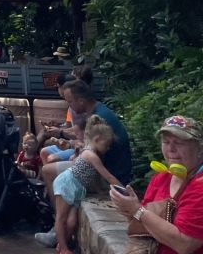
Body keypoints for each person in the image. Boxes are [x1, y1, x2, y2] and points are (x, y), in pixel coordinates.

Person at [37, 78, 132, 248]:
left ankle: (58, 223)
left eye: (70, 101)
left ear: (81, 100)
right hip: (106, 167)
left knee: (48, 171)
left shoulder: (99, 116)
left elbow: (94, 156)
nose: (69, 105)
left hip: (109, 173)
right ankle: (61, 223)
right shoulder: (100, 111)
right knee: (56, 166)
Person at [110, 116, 203, 254]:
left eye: (179, 143)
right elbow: (143, 224)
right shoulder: (161, 178)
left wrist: (137, 210)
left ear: (199, 149)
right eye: (166, 142)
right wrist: (129, 210)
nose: (171, 149)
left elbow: (184, 244)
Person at [36, 115, 124, 254]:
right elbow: (108, 176)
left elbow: (93, 177)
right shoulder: (91, 155)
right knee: (61, 217)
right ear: (97, 140)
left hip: (78, 189)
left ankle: (62, 242)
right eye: (106, 145)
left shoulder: (93, 152)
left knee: (71, 222)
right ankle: (64, 249)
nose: (107, 148)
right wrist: (125, 191)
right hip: (67, 183)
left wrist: (101, 190)